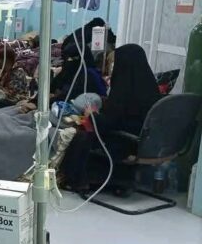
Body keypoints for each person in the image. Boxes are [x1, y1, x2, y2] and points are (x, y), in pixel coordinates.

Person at [60, 43, 161, 191]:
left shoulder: (123, 90)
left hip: (125, 142)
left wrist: (92, 114)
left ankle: (77, 181)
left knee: (80, 136)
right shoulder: (150, 87)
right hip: (146, 143)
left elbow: (109, 124)